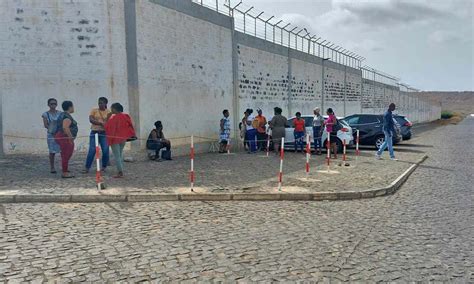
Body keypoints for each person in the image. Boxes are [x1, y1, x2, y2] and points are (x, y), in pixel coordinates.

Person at [105, 103, 136, 178]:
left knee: (117, 156)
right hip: (123, 139)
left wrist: (107, 117)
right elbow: (131, 125)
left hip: (115, 139)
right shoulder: (126, 116)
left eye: (112, 108)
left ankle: (120, 172)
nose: (111, 110)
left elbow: (107, 126)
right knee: (120, 154)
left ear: (115, 109)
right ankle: (120, 169)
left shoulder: (114, 118)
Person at [84, 97, 111, 173]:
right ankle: (87, 167)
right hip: (94, 132)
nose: (100, 104)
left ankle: (104, 166)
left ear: (105, 103)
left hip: (104, 133)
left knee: (105, 150)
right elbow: (91, 120)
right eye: (99, 102)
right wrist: (100, 123)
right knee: (92, 150)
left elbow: (108, 122)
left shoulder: (108, 112)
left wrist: (104, 124)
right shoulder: (94, 110)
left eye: (102, 103)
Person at [54, 101, 78, 178]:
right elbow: (65, 128)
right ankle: (64, 172)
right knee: (66, 154)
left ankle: (65, 169)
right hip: (64, 137)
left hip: (61, 136)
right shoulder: (66, 117)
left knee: (65, 154)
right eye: (73, 106)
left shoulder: (62, 114)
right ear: (70, 107)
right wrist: (70, 138)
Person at [41, 98, 61, 173]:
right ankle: (52, 167)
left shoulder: (60, 113)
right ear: (48, 105)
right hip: (51, 134)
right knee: (52, 151)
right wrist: (53, 129)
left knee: (62, 150)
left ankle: (63, 166)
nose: (53, 105)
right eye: (51, 104)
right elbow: (46, 125)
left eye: (55, 103)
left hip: (59, 134)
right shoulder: (45, 114)